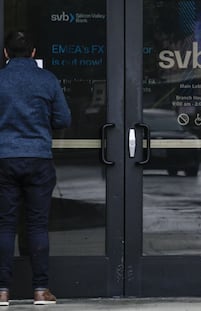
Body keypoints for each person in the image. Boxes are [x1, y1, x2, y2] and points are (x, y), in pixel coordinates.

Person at [0, 31, 71, 306]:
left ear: (6, 53)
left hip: (4, 158)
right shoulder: (48, 80)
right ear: (33, 53)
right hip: (39, 159)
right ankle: (41, 290)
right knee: (37, 225)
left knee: (5, 224)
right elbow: (63, 118)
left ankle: (2, 291)